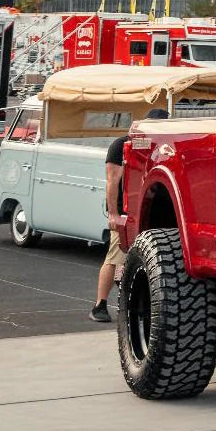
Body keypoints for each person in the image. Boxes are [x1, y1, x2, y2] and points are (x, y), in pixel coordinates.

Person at [90, 107, 168, 322]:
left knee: (146, 261)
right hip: (127, 212)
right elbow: (112, 180)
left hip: (153, 213)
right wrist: (113, 214)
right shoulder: (123, 144)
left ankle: (143, 306)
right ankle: (99, 305)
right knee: (115, 257)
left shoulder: (162, 146)